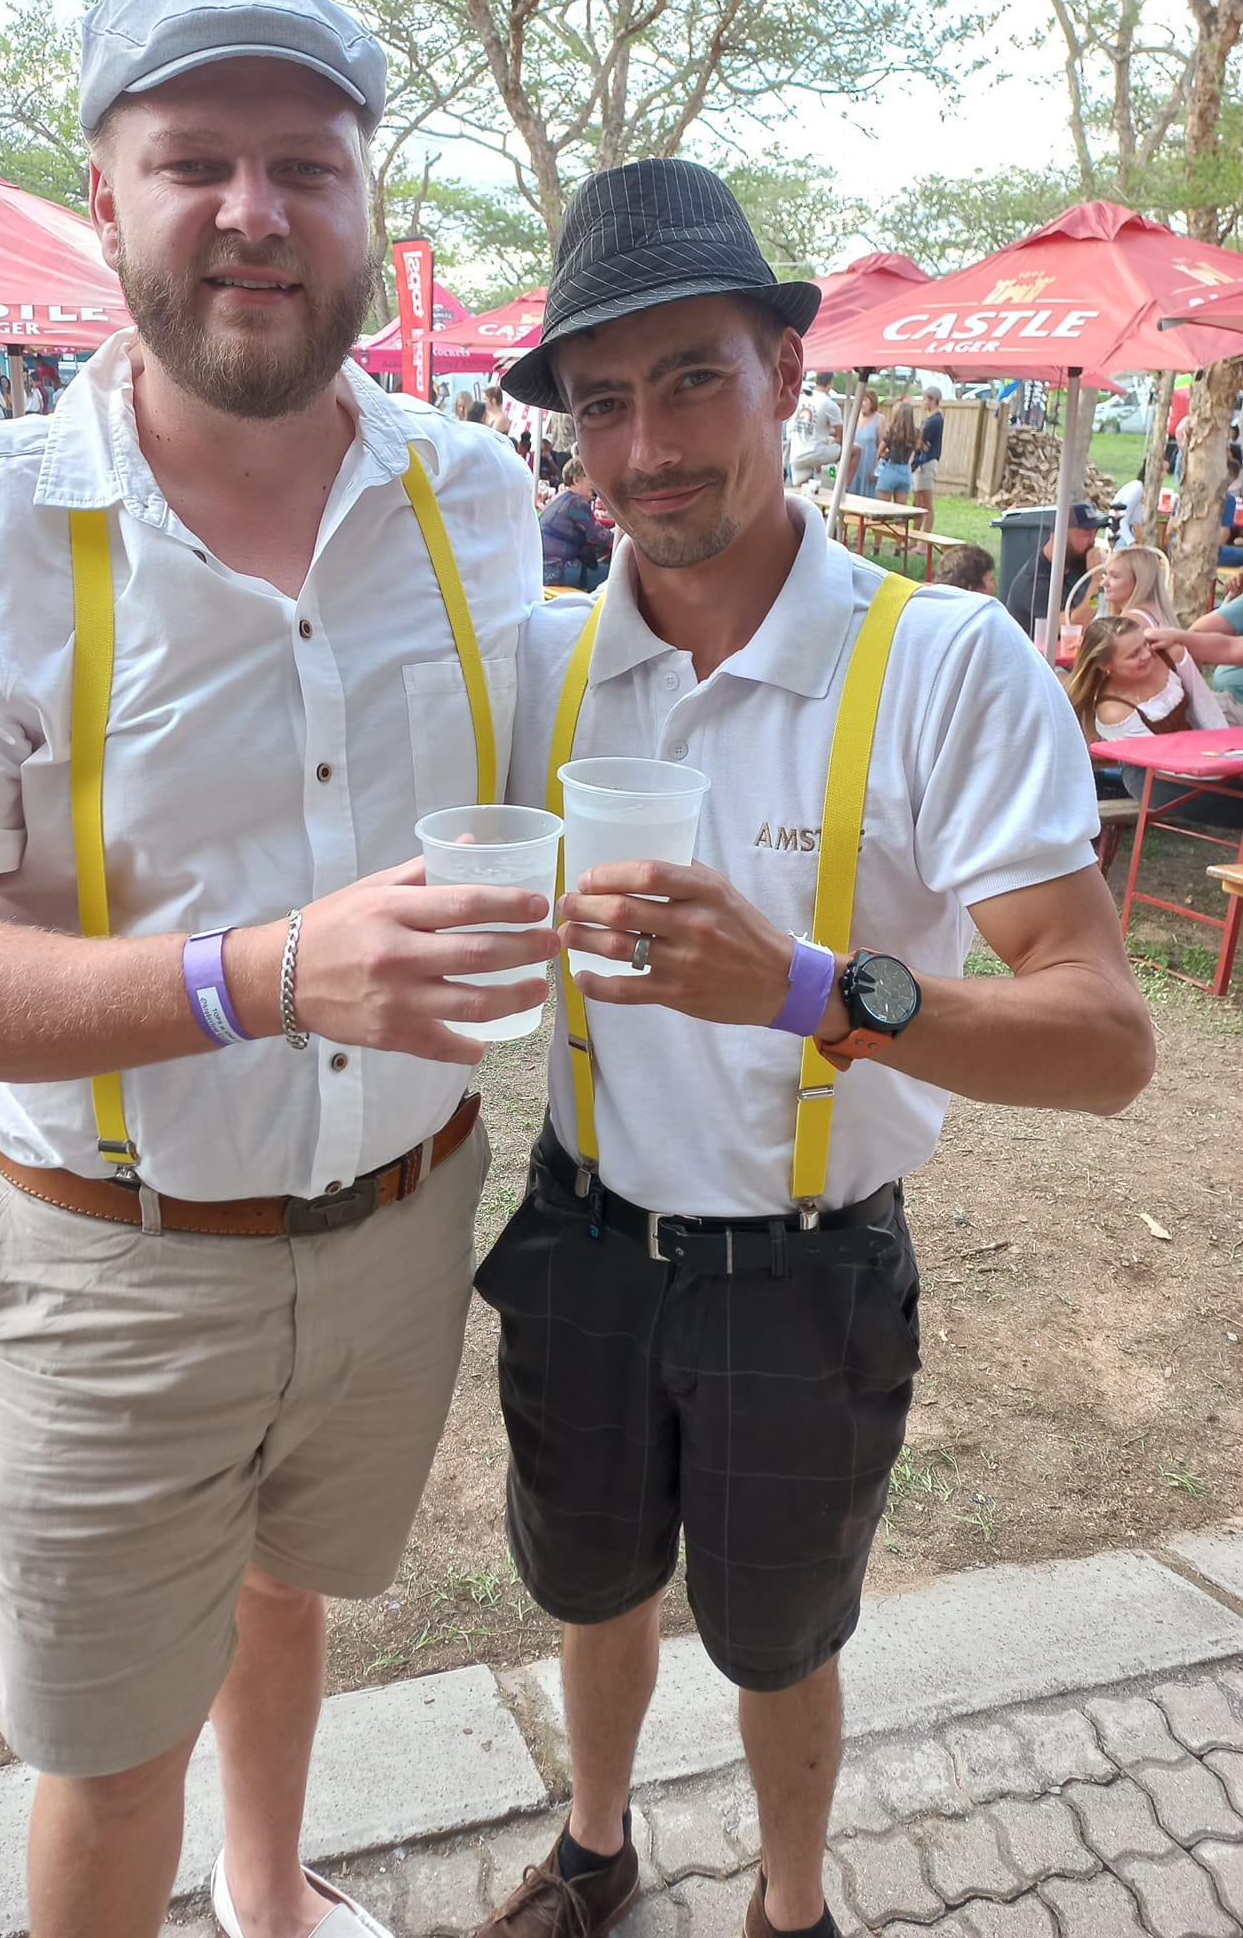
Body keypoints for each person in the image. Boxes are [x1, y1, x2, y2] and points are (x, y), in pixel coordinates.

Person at [0, 0, 544, 1938]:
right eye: (194, 159)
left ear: (366, 200)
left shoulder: (479, 498)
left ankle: (272, 1897)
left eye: (305, 163)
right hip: (110, 1272)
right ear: (107, 197)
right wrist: (260, 972)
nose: (253, 209)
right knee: (114, 1755)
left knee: (287, 1594)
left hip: (401, 1226)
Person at [481, 156, 1153, 1938]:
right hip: (579, 1236)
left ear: (789, 370)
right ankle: (597, 1850)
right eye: (601, 403)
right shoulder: (540, 667)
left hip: (804, 1268)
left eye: (692, 378)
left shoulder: (944, 663)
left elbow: (1104, 1039)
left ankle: (791, 1907)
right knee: (592, 1589)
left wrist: (809, 990)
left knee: (780, 1635)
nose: (646, 448)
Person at [1065, 615, 1239, 824]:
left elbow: (1206, 710)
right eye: (1133, 655)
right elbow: (1162, 762)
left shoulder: (1169, 653)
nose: (1147, 654)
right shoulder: (1113, 710)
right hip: (1153, 775)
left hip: (1199, 755)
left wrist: (1229, 758)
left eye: (1144, 644)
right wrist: (1217, 771)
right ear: (1105, 665)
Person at [1004, 502, 1106, 640]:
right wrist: (1096, 581)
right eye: (1086, 534)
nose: (1092, 541)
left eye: (1095, 534)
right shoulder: (1035, 583)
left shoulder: (1077, 563)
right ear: (1060, 535)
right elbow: (1073, 625)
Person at [539, 456, 615, 591]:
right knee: (614, 577)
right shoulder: (575, 503)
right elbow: (600, 536)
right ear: (576, 480)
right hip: (556, 570)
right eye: (589, 477)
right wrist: (623, 536)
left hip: (542, 568)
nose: (593, 484)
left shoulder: (559, 498)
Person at [786, 369, 842, 490]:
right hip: (814, 452)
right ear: (831, 383)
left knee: (800, 491)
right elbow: (841, 434)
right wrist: (837, 443)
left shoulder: (801, 399)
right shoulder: (829, 404)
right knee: (853, 450)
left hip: (796, 455)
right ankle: (843, 489)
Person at [911, 385, 944, 525]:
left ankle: (925, 537)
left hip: (927, 463)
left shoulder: (936, 420)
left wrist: (918, 441)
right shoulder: (927, 420)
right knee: (917, 502)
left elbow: (920, 442)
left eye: (925, 399)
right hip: (919, 464)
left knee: (926, 503)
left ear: (933, 400)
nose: (923, 402)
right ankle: (915, 535)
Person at [873, 399, 916, 504]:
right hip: (905, 472)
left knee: (881, 508)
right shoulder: (913, 434)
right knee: (900, 511)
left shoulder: (892, 434)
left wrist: (883, 455)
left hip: (891, 469)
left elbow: (880, 451)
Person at [847, 388, 880, 499]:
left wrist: (877, 470)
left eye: (865, 400)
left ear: (872, 401)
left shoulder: (879, 419)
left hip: (869, 467)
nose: (862, 403)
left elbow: (883, 448)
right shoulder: (853, 418)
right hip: (854, 467)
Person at [1110, 475, 1145, 548]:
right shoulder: (1138, 489)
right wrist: (1131, 542)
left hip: (1127, 535)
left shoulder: (1139, 487)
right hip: (1122, 538)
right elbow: (1122, 517)